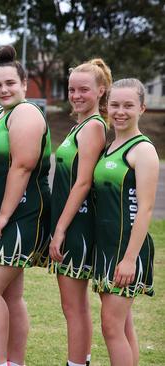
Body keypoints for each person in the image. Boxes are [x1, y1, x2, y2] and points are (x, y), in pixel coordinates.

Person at [0, 45, 51, 366]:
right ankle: (13, 363)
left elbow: (22, 166)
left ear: (24, 83)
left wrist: (4, 215)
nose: (3, 90)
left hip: (20, 215)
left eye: (10, 84)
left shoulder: (26, 112)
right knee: (10, 295)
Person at [48, 59, 111, 366]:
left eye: (84, 89)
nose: (76, 95)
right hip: (71, 222)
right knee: (74, 305)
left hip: (77, 225)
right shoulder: (80, 126)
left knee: (73, 306)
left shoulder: (95, 127)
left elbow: (83, 182)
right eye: (72, 89)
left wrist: (60, 229)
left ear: (101, 91)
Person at [92, 78, 158, 366]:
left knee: (111, 326)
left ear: (142, 108)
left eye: (128, 105)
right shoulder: (111, 145)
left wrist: (130, 259)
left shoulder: (143, 150)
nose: (120, 111)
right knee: (123, 325)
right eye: (115, 104)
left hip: (127, 251)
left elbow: (145, 209)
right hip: (108, 248)